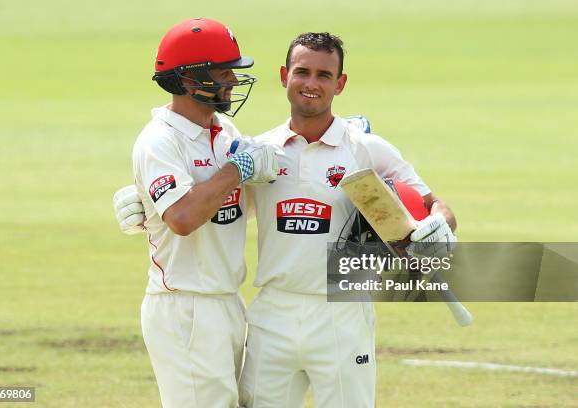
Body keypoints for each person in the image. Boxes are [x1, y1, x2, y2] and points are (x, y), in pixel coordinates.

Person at [115, 32, 457, 407]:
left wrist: (438, 225)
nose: (311, 84)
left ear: (340, 84)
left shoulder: (365, 148)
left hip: (341, 311)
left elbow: (431, 204)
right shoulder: (259, 150)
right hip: (271, 314)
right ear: (284, 76)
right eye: (302, 72)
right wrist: (146, 204)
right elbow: (210, 204)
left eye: (324, 75)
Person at [120, 17, 278, 408]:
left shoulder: (223, 130)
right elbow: (184, 219)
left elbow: (247, 203)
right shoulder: (159, 140)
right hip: (185, 306)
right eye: (224, 73)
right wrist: (236, 171)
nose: (234, 82)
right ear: (190, 80)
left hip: (226, 299)